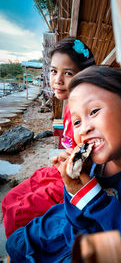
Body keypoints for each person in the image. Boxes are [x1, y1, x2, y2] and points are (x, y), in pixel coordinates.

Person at [6, 66, 121, 263]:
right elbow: (77, 221)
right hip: (81, 233)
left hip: (118, 247)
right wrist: (73, 188)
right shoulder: (92, 163)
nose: (84, 129)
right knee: (17, 243)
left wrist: (91, 196)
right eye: (76, 122)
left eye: (94, 111)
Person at [2, 37, 95, 239]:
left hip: (73, 178)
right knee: (10, 199)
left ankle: (18, 251)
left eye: (68, 73)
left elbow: (84, 161)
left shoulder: (86, 111)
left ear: (85, 75)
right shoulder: (69, 103)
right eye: (53, 71)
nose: (57, 80)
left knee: (17, 213)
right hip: (60, 168)